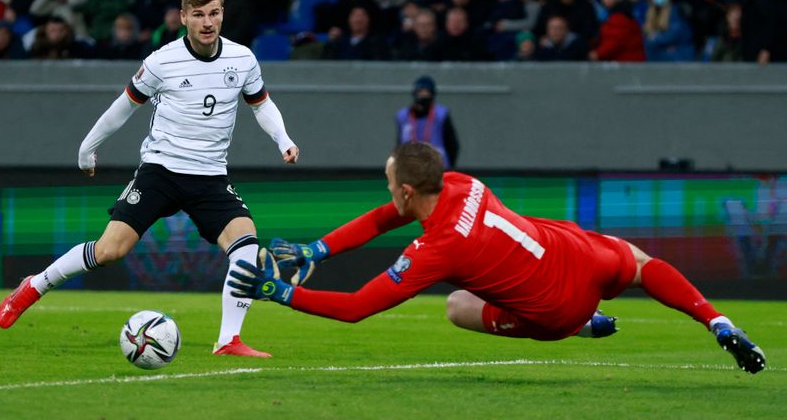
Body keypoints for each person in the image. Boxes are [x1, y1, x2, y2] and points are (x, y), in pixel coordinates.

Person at [228, 141, 766, 374]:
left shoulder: (435, 250)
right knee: (644, 266)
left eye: (390, 182)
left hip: (558, 311)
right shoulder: (461, 183)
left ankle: (583, 324)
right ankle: (717, 321)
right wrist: (319, 248)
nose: (388, 190)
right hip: (575, 251)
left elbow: (356, 308)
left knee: (457, 305)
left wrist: (279, 291)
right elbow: (384, 218)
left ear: (408, 190)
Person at [0, 0, 300, 359]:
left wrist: (283, 139)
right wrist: (88, 147)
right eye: (199, 15)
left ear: (223, 13)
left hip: (210, 177)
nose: (208, 22)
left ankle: (228, 341)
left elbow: (261, 104)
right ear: (184, 17)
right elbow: (124, 106)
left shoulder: (243, 59)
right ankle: (34, 285)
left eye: (214, 13)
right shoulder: (162, 61)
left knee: (246, 245)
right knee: (110, 250)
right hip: (161, 171)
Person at [396, 76, 459, 170]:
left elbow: (452, 144)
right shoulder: (403, 116)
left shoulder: (441, 115)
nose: (423, 98)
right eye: (420, 93)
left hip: (437, 167)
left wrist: (449, 167)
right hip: (410, 168)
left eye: (426, 94)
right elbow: (399, 145)